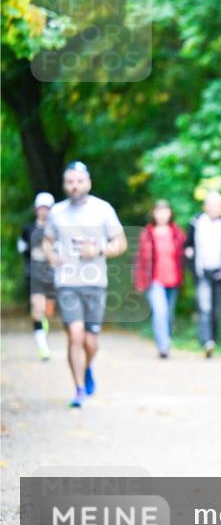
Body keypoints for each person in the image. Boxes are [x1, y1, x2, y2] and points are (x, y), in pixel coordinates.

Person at [43, 161, 128, 408]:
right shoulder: (57, 212)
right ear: (64, 184)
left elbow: (120, 243)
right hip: (67, 282)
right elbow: (47, 241)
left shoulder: (103, 209)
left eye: (79, 181)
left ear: (88, 182)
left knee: (91, 341)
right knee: (75, 334)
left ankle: (87, 367)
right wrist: (51, 256)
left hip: (95, 282)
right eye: (69, 182)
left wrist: (98, 249)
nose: (74, 186)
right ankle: (79, 388)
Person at [183, 191, 221, 358]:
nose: (215, 208)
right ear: (205, 206)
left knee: (216, 310)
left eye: (218, 205)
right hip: (202, 272)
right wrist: (190, 258)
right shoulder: (196, 222)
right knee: (205, 308)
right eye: (211, 205)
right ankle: (206, 341)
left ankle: (213, 341)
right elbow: (188, 245)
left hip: (220, 272)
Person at [134, 200, 186, 358]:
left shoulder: (177, 233)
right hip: (154, 280)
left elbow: (185, 253)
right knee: (160, 311)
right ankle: (163, 346)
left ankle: (166, 340)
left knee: (168, 315)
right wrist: (139, 280)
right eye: (159, 211)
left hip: (174, 279)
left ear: (170, 213)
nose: (162, 215)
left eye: (165, 211)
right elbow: (140, 259)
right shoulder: (147, 233)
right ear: (154, 214)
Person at [19, 192, 58, 360]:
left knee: (48, 311)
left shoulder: (57, 229)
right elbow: (21, 249)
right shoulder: (27, 229)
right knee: (37, 308)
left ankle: (44, 326)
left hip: (51, 274)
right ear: (36, 210)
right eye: (41, 208)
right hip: (34, 274)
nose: (44, 211)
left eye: (47, 208)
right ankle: (43, 348)